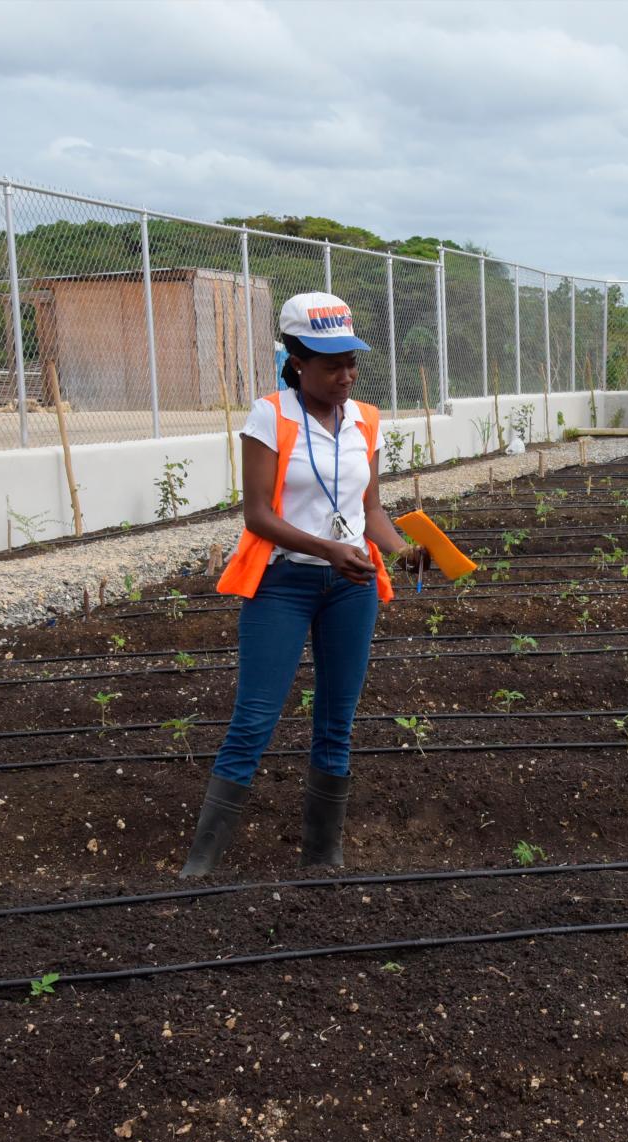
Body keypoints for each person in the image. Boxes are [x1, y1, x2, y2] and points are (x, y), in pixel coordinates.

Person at [179, 291, 425, 877]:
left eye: (351, 362)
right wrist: (329, 550)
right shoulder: (270, 415)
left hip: (351, 588)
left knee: (337, 720)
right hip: (283, 583)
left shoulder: (365, 419)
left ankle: (322, 858)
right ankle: (201, 864)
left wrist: (404, 551)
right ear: (295, 360)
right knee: (254, 718)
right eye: (330, 363)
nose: (345, 375)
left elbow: (372, 513)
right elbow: (258, 516)